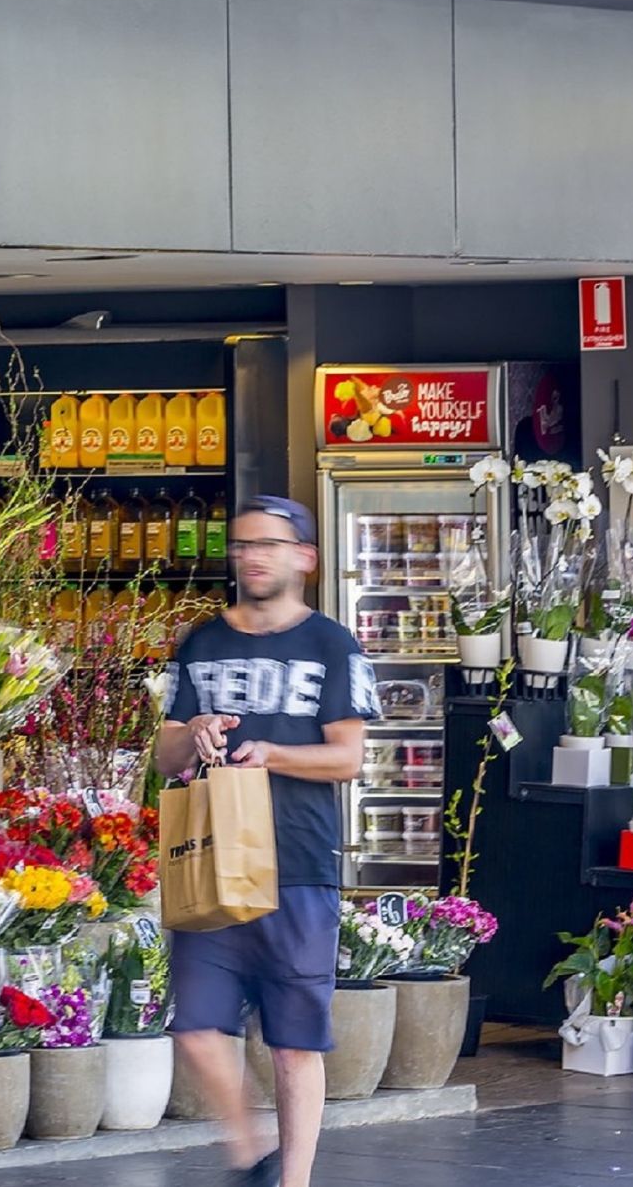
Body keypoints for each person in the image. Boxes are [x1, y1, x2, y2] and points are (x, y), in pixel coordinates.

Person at [152, 495, 378, 1187]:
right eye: (242, 544)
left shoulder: (332, 645)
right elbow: (164, 753)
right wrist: (194, 732)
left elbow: (347, 758)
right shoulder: (201, 642)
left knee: (293, 1041)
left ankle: (293, 1179)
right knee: (195, 1027)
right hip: (212, 860)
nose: (251, 556)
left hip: (298, 864)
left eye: (268, 544)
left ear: (304, 557)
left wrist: (271, 754)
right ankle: (254, 1154)